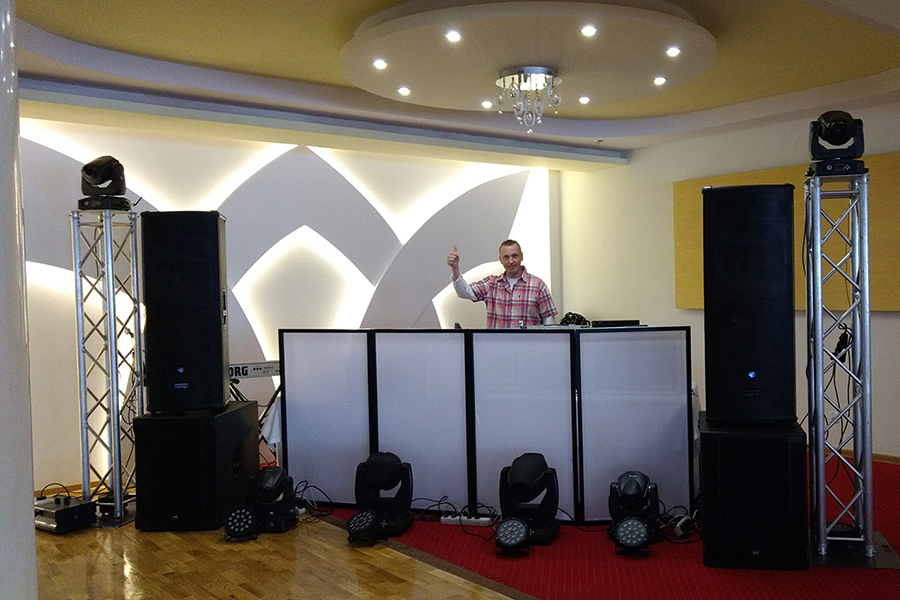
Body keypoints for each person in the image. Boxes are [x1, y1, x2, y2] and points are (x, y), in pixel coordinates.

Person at [446, 239, 557, 328]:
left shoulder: (538, 285)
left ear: (522, 257)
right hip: (496, 347)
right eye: (506, 257)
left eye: (514, 256)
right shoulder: (491, 284)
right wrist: (455, 269)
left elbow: (549, 321)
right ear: (501, 260)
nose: (511, 261)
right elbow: (465, 292)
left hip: (528, 347)